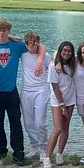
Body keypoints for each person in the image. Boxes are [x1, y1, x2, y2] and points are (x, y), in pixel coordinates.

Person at [0, 18, 40, 166]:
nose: (1, 33)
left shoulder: (17, 46)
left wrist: (40, 60)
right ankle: (0, 149)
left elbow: (37, 46)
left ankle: (18, 152)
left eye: (4, 30)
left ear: (9, 31)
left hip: (10, 90)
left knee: (15, 122)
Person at [43, 41, 76, 168]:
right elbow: (55, 86)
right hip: (57, 100)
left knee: (66, 127)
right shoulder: (53, 66)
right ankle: (47, 157)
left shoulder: (73, 64)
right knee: (57, 128)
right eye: (64, 50)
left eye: (69, 51)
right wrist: (62, 104)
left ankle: (60, 154)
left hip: (70, 98)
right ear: (60, 51)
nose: (66, 53)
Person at [20, 31, 50, 161]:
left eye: (34, 42)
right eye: (28, 42)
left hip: (41, 91)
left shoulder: (45, 55)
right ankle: (34, 147)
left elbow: (52, 69)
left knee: (39, 123)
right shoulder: (23, 54)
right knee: (28, 123)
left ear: (38, 42)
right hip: (26, 91)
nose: (31, 45)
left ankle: (43, 148)